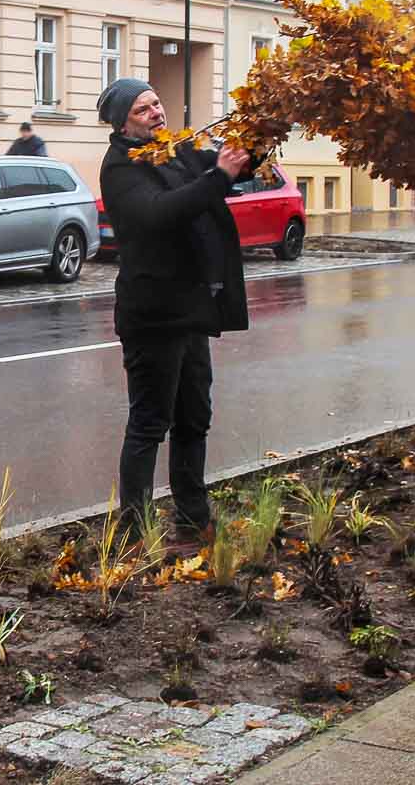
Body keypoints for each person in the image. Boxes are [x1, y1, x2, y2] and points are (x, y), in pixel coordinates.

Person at [96, 77, 252, 544]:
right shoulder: (120, 167)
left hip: (190, 309)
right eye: (144, 110)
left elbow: (228, 168)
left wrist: (255, 142)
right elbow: (161, 212)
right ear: (123, 123)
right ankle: (136, 534)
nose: (157, 113)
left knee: (193, 418)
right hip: (153, 315)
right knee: (149, 423)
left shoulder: (173, 149)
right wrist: (219, 176)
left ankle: (193, 520)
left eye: (157, 103)